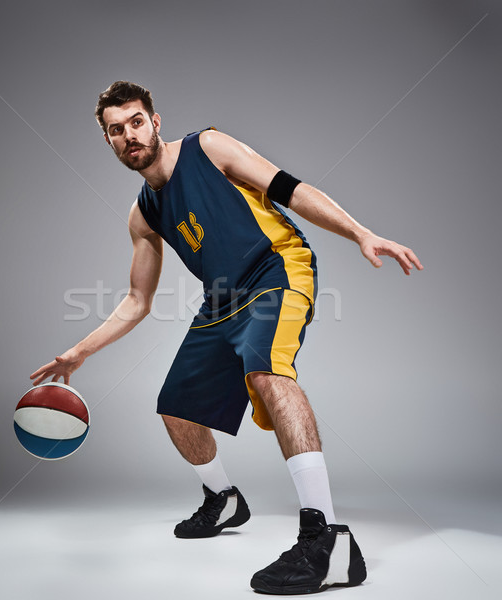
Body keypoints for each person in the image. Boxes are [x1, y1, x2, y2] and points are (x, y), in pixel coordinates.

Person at [30, 81, 423, 595]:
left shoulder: (208, 148)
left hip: (275, 272)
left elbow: (291, 189)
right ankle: (224, 500)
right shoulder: (144, 213)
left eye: (136, 122)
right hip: (221, 300)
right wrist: (78, 352)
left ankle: (326, 537)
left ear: (155, 121)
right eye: (116, 130)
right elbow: (137, 300)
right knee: (176, 408)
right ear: (107, 141)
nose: (129, 135)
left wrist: (361, 233)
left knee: (266, 373)